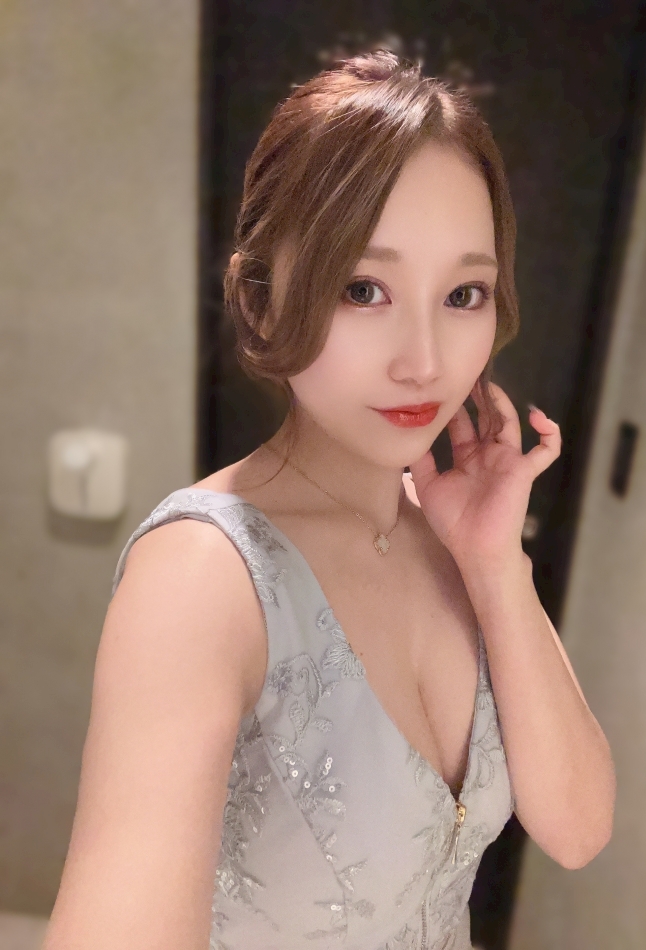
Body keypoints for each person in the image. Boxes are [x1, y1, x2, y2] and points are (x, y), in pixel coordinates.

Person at [43, 50, 615, 950]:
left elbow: (578, 829)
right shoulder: (203, 576)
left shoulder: (456, 542)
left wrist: (495, 563)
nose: (424, 360)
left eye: (462, 293)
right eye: (363, 289)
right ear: (263, 301)